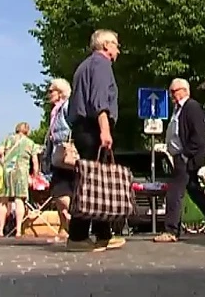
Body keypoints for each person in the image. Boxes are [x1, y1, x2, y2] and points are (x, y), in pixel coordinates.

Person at [66, 29, 126, 252]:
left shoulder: (84, 66)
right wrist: (105, 129)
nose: (118, 50)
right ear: (106, 45)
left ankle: (103, 234)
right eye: (116, 45)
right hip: (93, 128)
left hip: (83, 128)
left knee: (97, 182)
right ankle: (78, 236)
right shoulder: (101, 64)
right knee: (90, 183)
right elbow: (99, 100)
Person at [153, 78, 205, 243]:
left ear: (184, 91)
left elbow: (199, 136)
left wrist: (185, 155)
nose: (171, 95)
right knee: (195, 192)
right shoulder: (178, 110)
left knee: (174, 192)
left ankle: (171, 230)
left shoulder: (191, 107)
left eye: (174, 92)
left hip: (185, 158)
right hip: (180, 156)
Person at [0, 122, 40, 238]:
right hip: (21, 172)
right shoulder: (31, 143)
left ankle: (0, 229)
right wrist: (35, 175)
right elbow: (35, 162)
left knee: (3, 200)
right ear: (27, 131)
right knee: (19, 200)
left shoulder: (8, 139)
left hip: (7, 171)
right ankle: (19, 230)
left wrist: (3, 160)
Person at [45, 78, 73, 240]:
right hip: (57, 154)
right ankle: (64, 230)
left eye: (51, 91)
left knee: (62, 190)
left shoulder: (66, 106)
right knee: (59, 191)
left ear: (60, 92)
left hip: (65, 153)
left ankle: (73, 221)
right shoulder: (55, 110)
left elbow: (73, 125)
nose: (49, 94)